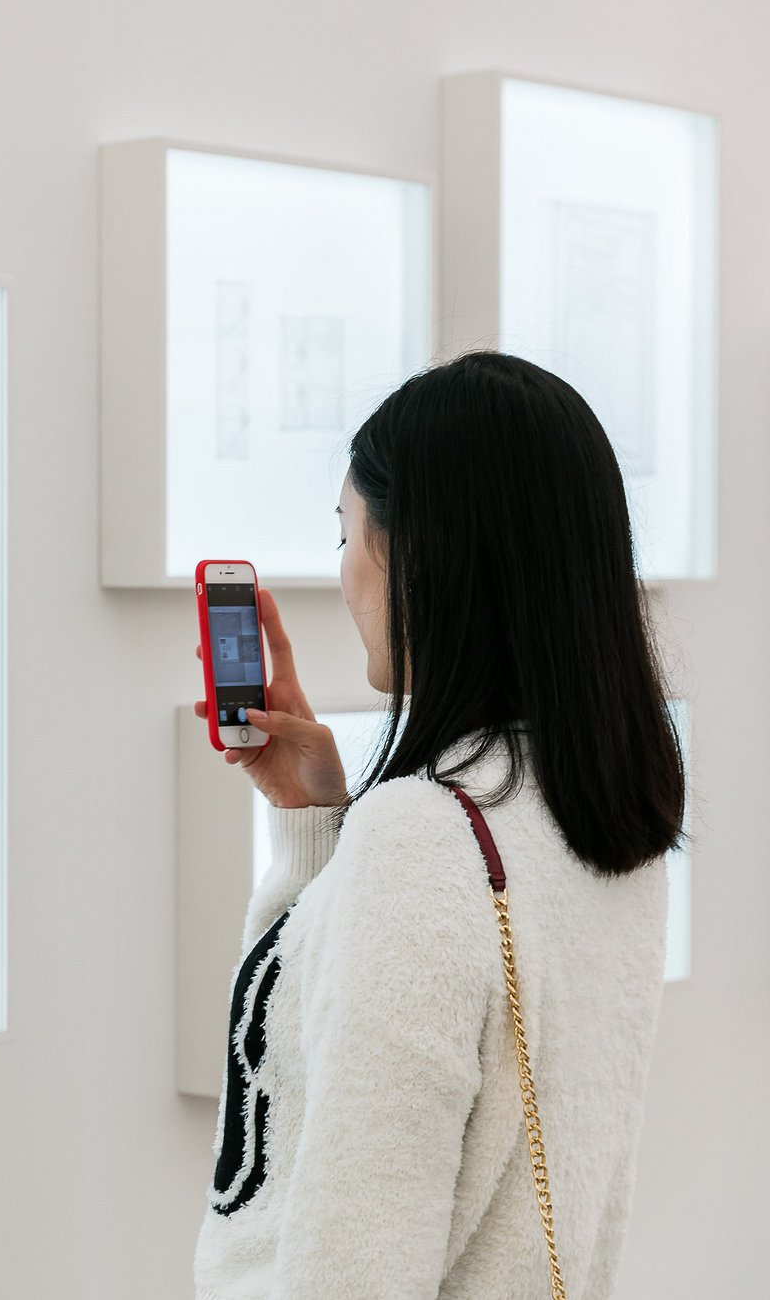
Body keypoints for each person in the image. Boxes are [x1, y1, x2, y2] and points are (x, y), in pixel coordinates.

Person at [191, 352, 685, 1299]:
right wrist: (318, 827)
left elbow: (352, 1265)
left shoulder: (423, 837)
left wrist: (365, 841)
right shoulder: (609, 812)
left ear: (418, 553)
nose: (342, 573)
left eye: (348, 533)